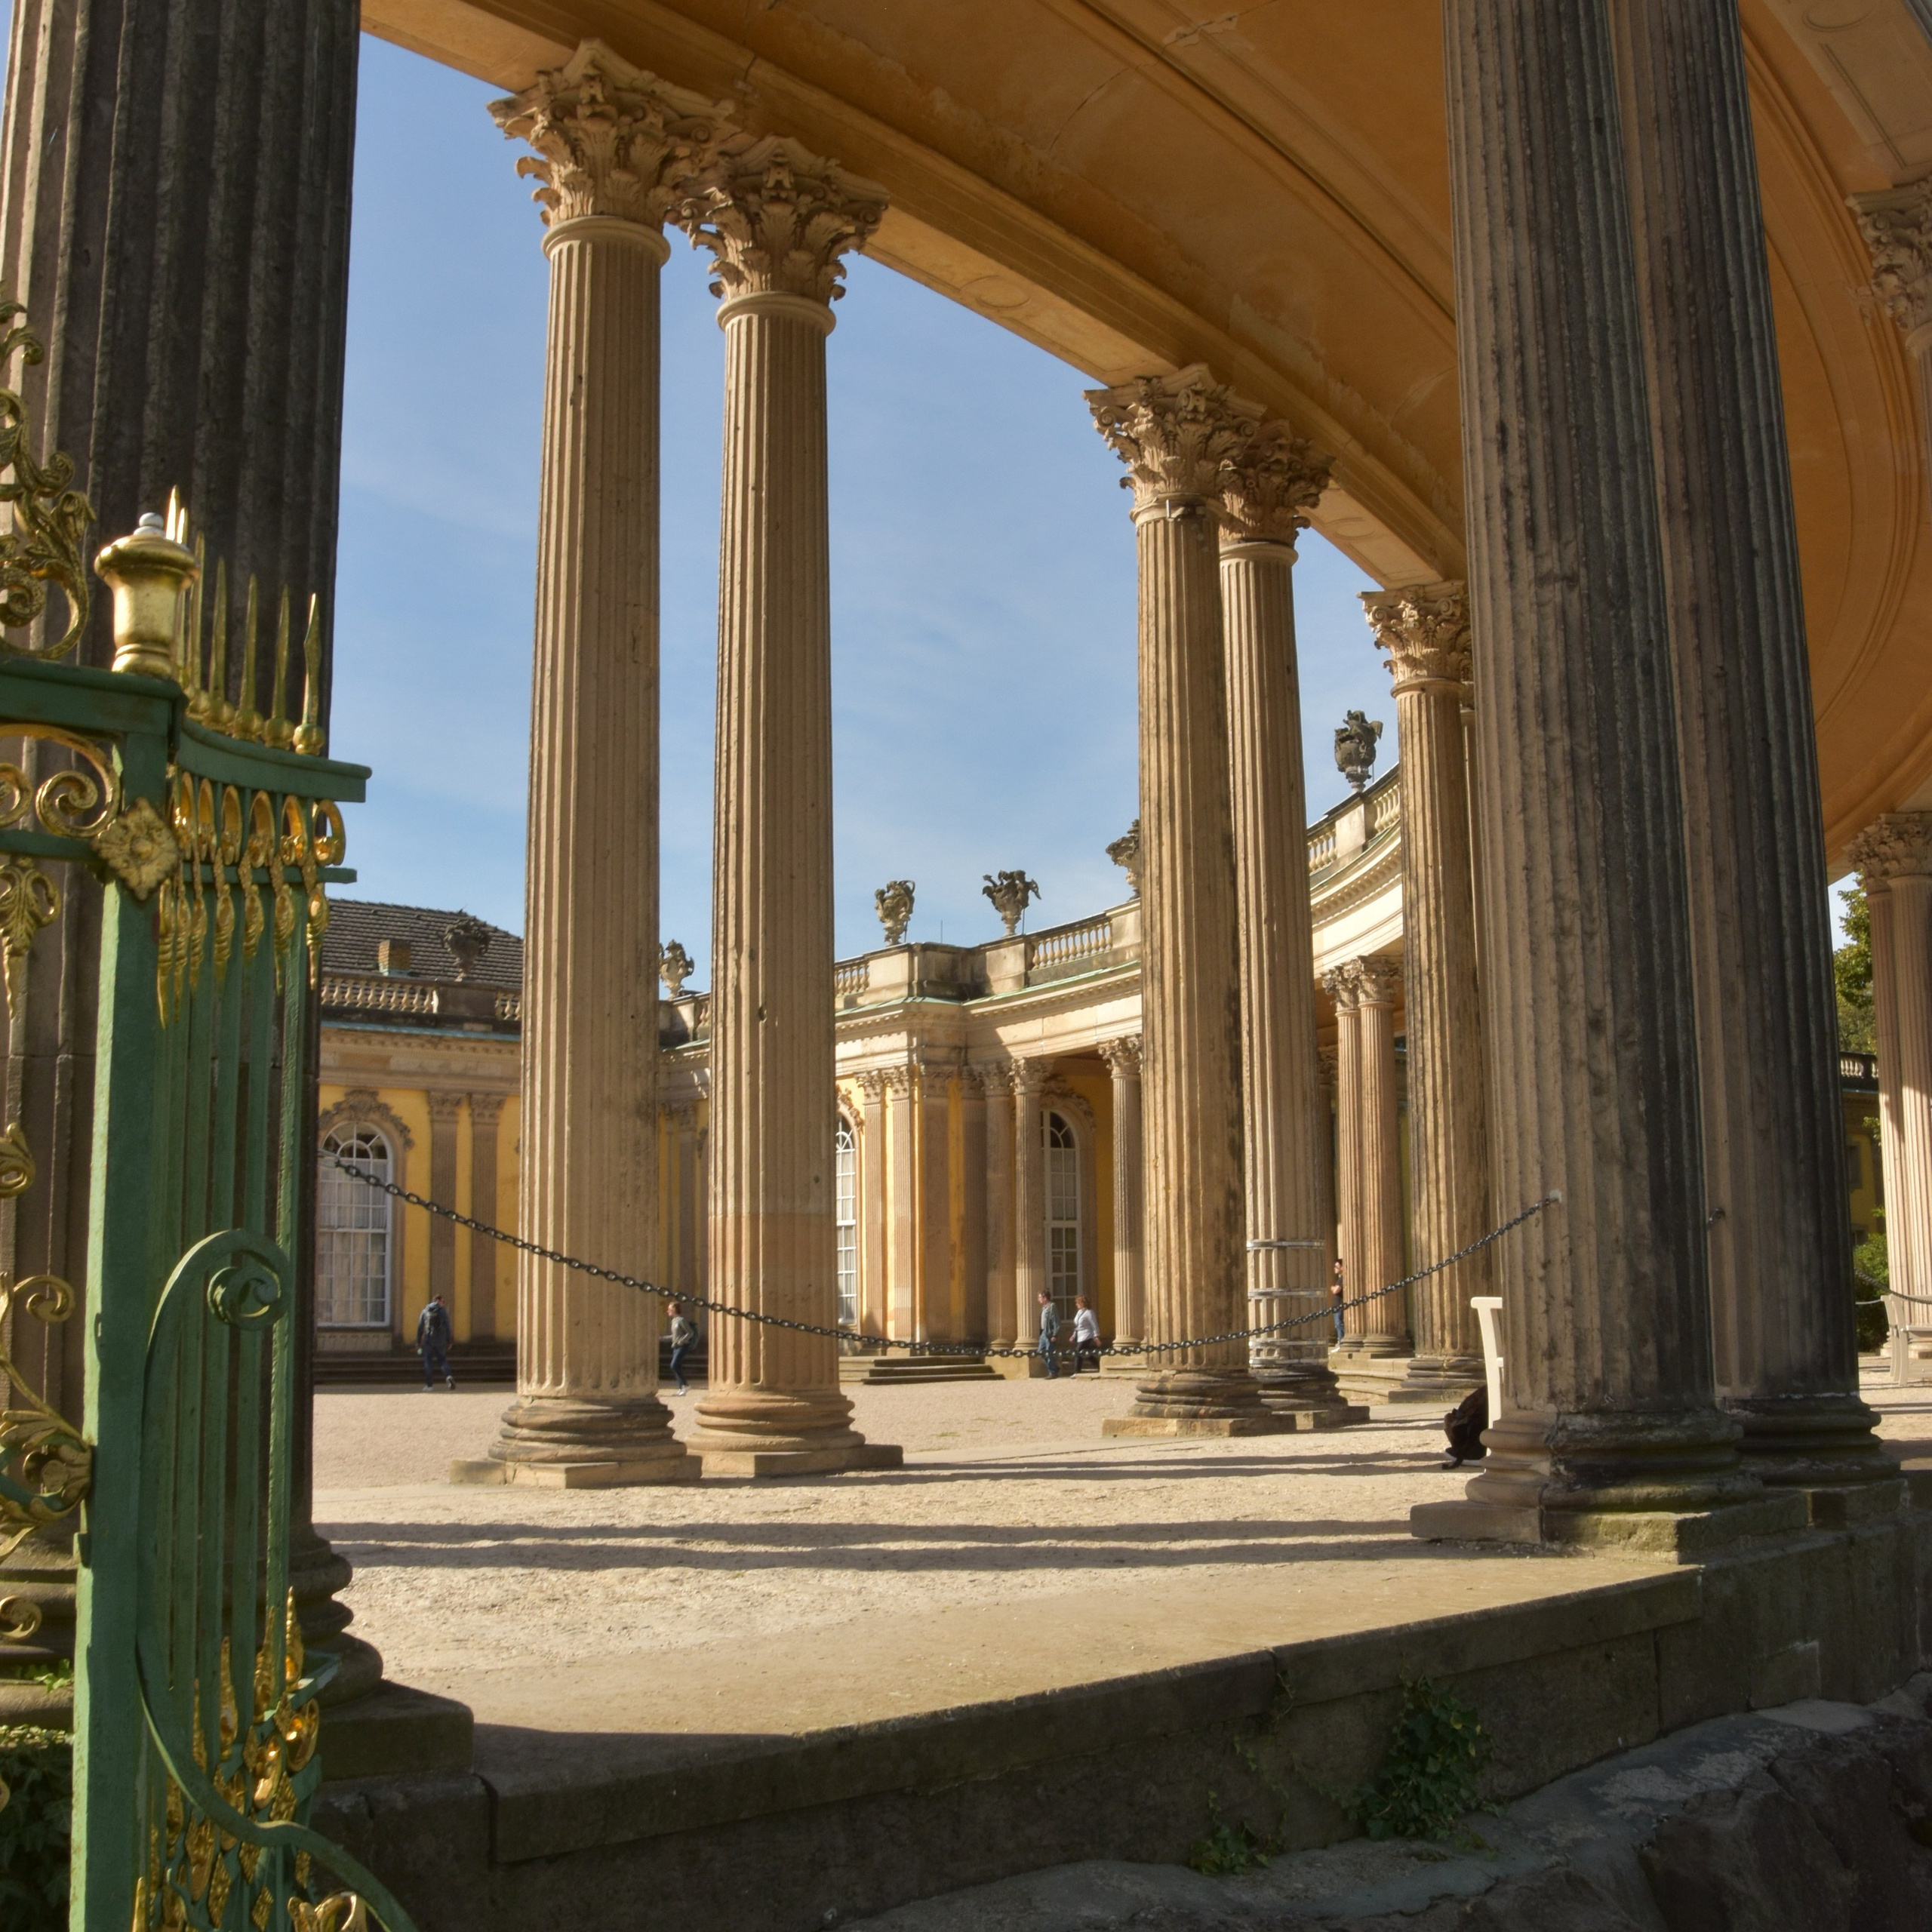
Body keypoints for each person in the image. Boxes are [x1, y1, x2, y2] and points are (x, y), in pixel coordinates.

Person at [417, 1294, 454, 1392]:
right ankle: (448, 1376)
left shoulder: (425, 1311)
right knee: (442, 1360)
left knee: (428, 1362)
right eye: (443, 1301)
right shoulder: (443, 1312)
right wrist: (449, 1341)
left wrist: (418, 1341)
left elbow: (420, 1327)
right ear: (439, 1301)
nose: (443, 1304)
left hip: (428, 1340)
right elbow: (448, 1327)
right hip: (440, 1340)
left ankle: (429, 1385)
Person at [667, 1301, 697, 1395]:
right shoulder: (673, 1321)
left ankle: (686, 1385)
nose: (668, 1311)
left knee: (674, 1365)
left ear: (674, 1310)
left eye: (669, 1309)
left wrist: (682, 1341)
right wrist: (662, 1338)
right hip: (675, 1347)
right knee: (677, 1366)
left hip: (682, 1346)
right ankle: (682, 1387)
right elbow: (674, 1336)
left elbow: (690, 1332)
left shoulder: (681, 1320)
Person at [1071, 1294, 1100, 1373]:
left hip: (1087, 1335)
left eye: (1078, 1303)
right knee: (1087, 1354)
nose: (1076, 1304)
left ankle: (1077, 1371)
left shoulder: (1089, 1312)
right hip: (1080, 1335)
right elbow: (1077, 1325)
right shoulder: (1079, 1312)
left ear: (1083, 1303)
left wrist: (1096, 1336)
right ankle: (1099, 1366)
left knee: (1078, 1351)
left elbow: (1094, 1325)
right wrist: (1073, 1336)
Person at [1035, 1291, 1061, 1379]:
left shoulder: (1052, 1306)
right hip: (1043, 1333)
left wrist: (1055, 1334)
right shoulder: (1044, 1308)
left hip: (1049, 1333)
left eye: (1040, 1297)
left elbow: (1056, 1321)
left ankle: (1053, 1372)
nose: (1038, 1299)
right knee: (1041, 1352)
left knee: (1050, 1352)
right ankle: (1054, 1367)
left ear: (1045, 1298)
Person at [1331, 1259, 1346, 1346]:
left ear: (1342, 1267)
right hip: (1336, 1305)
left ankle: (1341, 1343)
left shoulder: (1342, 1279)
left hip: (1340, 1305)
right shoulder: (1339, 1279)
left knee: (1339, 1324)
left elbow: (1335, 1290)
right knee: (1337, 1325)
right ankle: (1340, 1342)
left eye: (1337, 1267)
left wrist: (1333, 1288)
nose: (1335, 1268)